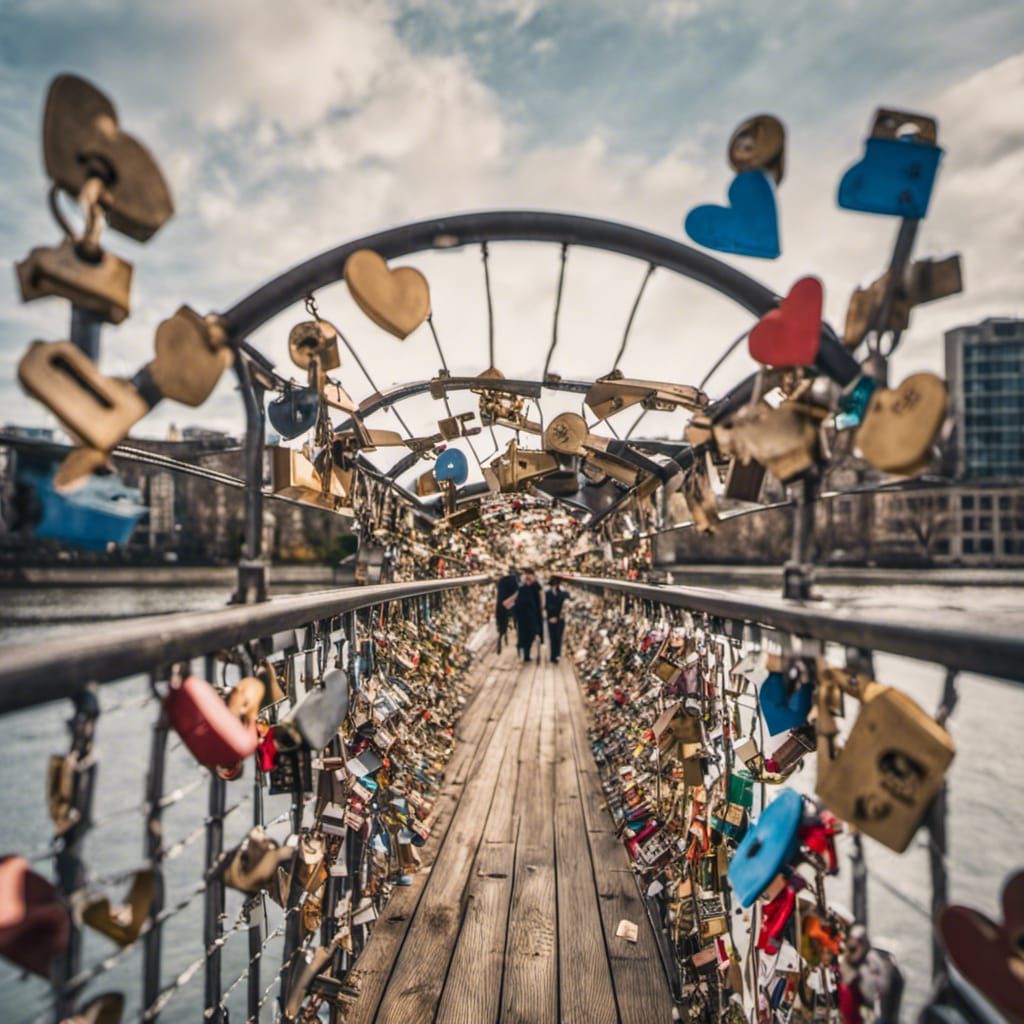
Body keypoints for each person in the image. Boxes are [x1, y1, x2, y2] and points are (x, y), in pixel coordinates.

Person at [510, 567, 543, 662]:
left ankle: (525, 651)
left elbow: (541, 601)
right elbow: (516, 602)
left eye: (529, 575)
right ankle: (526, 654)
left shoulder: (536, 587)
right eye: (526, 575)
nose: (527, 577)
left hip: (533, 616)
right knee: (524, 635)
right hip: (524, 617)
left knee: (531, 634)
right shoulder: (521, 588)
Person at [545, 576, 569, 664]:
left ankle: (557, 654)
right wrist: (551, 616)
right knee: (552, 637)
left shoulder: (563, 593)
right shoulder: (548, 593)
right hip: (551, 618)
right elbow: (547, 606)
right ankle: (553, 655)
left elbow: (566, 605)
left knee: (558, 636)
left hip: (560, 618)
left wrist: (557, 616)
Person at [495, 567, 519, 653]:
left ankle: (501, 640)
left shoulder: (501, 581)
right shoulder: (514, 580)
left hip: (501, 605)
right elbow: (516, 593)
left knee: (502, 627)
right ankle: (518, 644)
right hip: (512, 606)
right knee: (517, 624)